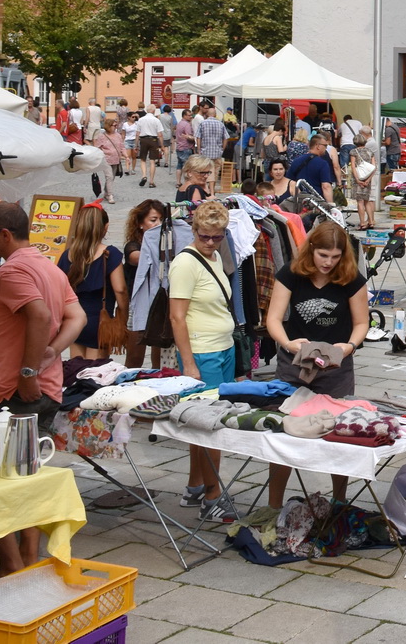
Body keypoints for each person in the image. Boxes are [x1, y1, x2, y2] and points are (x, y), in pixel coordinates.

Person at [0, 202, 84, 575]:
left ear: (4, 235)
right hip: (40, 387)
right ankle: (27, 560)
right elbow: (75, 317)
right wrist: (52, 351)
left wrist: (27, 371)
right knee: (25, 476)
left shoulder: (14, 269)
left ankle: (12, 564)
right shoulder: (47, 266)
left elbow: (39, 314)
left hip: (11, 391)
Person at [263, 220, 368, 509]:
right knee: (284, 432)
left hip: (336, 366)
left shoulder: (351, 278)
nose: (328, 262)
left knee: (339, 433)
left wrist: (349, 347)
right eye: (323, 255)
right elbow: (273, 319)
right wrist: (288, 344)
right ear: (311, 249)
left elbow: (362, 323)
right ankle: (274, 506)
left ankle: (339, 503)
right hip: (295, 362)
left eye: (335, 256)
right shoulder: (292, 273)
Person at [169, 199, 242, 522]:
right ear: (194, 230)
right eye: (205, 236)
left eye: (217, 236)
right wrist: (189, 363)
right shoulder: (186, 263)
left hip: (222, 348)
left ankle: (196, 485)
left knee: (202, 423)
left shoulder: (214, 257)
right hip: (202, 351)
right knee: (212, 426)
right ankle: (212, 497)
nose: (211, 242)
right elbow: (177, 317)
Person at [56, 205, 124, 360]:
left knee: (77, 369)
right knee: (96, 371)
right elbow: (120, 289)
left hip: (74, 321)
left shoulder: (67, 255)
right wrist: (123, 315)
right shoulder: (110, 254)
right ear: (105, 227)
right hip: (100, 321)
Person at [121, 200, 169, 370]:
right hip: (138, 305)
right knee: (134, 358)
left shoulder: (168, 244)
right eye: (153, 220)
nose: (158, 224)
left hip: (160, 303)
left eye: (161, 220)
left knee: (159, 356)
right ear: (140, 224)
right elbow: (136, 257)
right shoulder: (133, 246)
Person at [287, 132, 338, 202]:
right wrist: (331, 204)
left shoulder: (296, 161)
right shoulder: (323, 163)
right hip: (317, 201)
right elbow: (326, 186)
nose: (326, 148)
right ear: (318, 146)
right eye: (325, 145)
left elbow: (289, 182)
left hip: (299, 201)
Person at [351, 130, 380, 228]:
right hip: (368, 179)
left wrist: (357, 180)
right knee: (367, 201)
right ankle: (371, 221)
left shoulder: (353, 152)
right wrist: (368, 180)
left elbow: (353, 167)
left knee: (360, 202)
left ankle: (362, 223)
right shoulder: (370, 152)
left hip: (358, 179)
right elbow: (374, 167)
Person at [94, 115, 125, 204]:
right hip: (106, 160)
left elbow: (122, 147)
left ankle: (106, 193)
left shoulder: (118, 135)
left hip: (116, 160)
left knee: (112, 178)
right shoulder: (102, 136)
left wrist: (126, 156)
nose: (116, 127)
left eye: (116, 125)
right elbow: (97, 147)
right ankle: (110, 196)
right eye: (114, 125)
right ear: (108, 126)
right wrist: (101, 155)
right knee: (109, 177)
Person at [135, 107, 164, 188]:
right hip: (153, 140)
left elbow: (137, 133)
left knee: (143, 159)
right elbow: (160, 134)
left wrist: (136, 144)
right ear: (154, 111)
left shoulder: (141, 120)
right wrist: (162, 145)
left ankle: (144, 175)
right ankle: (151, 181)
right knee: (152, 161)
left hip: (143, 140)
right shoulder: (156, 120)